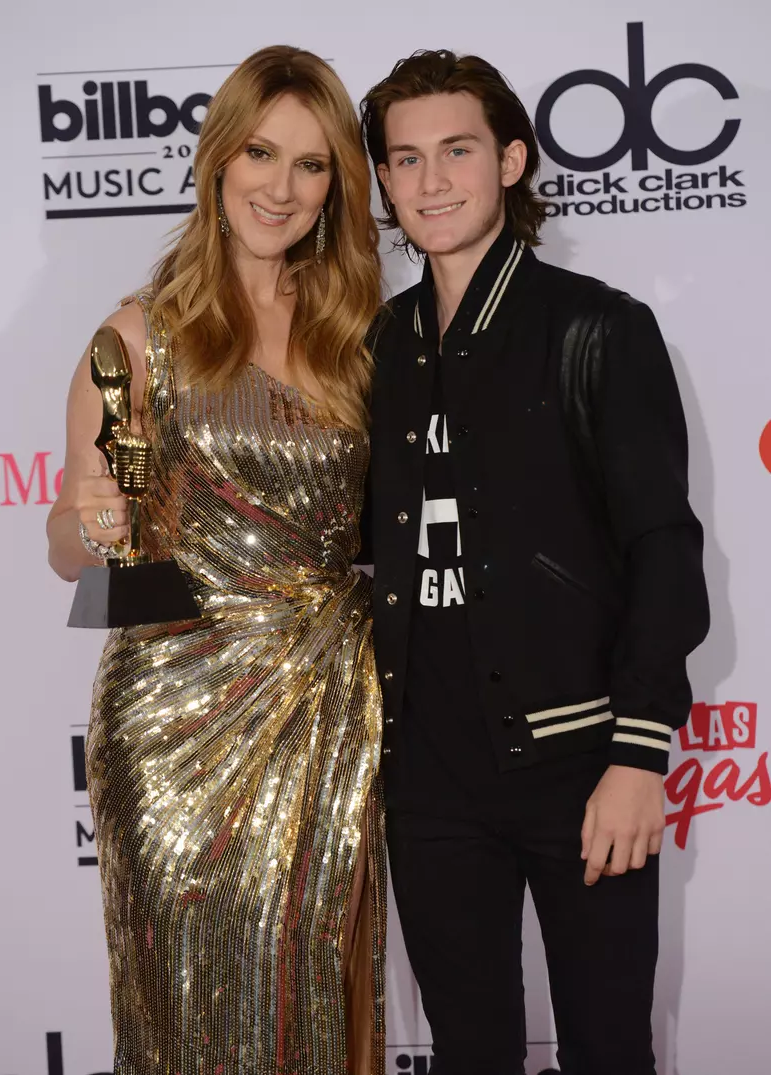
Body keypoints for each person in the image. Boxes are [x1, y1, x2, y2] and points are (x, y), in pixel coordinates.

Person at [359, 50, 709, 1075]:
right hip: (426, 780)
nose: (430, 182)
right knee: (469, 1054)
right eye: (405, 158)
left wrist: (639, 753)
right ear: (382, 179)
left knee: (607, 1050)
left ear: (510, 159)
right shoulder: (374, 346)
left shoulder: (597, 328)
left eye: (456, 150)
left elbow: (662, 546)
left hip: (582, 768)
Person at [47, 46, 385, 1075]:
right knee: (181, 1001)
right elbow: (70, 544)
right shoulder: (139, 337)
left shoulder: (364, 338)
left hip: (329, 709)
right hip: (173, 715)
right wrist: (93, 517)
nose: (279, 188)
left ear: (336, 188)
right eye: (259, 152)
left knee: (318, 984)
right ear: (217, 161)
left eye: (312, 165)